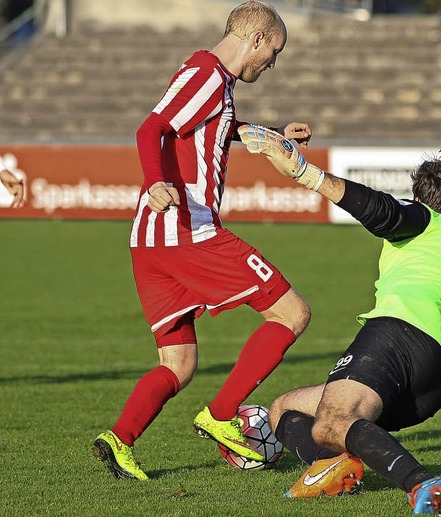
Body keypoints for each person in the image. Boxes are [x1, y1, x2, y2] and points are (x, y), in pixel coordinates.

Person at [238, 126, 441, 515]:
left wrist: (303, 171)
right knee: (283, 410)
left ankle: (420, 484)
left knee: (332, 421)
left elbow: (384, 211)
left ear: (420, 200)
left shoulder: (425, 220)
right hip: (430, 390)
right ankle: (327, 466)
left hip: (396, 339)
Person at [92, 1, 313, 481]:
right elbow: (151, 128)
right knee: (292, 312)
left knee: (179, 362)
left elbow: (213, 130)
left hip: (151, 242)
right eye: (272, 52)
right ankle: (221, 416)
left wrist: (271, 135)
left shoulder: (214, 82)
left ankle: (119, 439)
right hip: (186, 231)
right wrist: (154, 182)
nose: (271, 63)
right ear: (254, 40)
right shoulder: (207, 74)